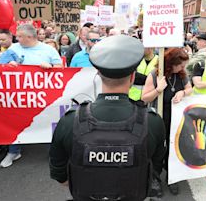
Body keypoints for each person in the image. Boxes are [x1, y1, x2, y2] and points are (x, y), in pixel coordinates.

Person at [49, 35, 166, 201]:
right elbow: (155, 167)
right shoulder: (152, 121)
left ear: (98, 74)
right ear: (133, 77)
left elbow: (59, 173)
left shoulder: (70, 120)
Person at [0, 24, 62, 168]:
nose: (17, 38)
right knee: (15, 123)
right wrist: (8, 65)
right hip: (18, 96)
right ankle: (14, 151)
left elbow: (61, 69)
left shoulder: (48, 50)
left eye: (20, 36)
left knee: (48, 122)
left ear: (30, 37)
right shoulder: (14, 48)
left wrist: (50, 67)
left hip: (43, 96)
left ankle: (53, 152)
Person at [142, 48, 192, 196]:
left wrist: (182, 92)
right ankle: (155, 178)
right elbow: (144, 98)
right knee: (157, 150)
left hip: (175, 119)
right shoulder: (155, 75)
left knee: (173, 149)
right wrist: (158, 90)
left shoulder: (182, 75)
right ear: (172, 63)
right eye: (181, 65)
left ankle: (172, 176)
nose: (183, 68)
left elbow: (190, 89)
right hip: (157, 118)